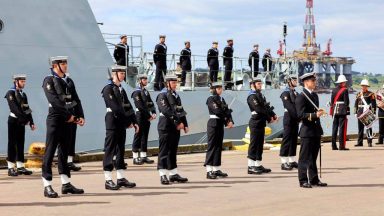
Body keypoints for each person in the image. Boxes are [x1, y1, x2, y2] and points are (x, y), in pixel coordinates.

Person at [42, 56, 84, 198]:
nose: (65, 65)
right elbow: (54, 101)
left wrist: (80, 115)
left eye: (66, 63)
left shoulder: (68, 80)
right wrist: (69, 116)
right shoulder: (49, 80)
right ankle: (47, 185)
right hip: (55, 118)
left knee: (64, 152)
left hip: (69, 119)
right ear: (55, 65)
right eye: (62, 63)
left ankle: (66, 184)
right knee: (50, 151)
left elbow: (76, 99)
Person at [101, 65, 139, 190]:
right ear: (114, 74)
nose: (123, 75)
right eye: (121, 73)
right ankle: (108, 179)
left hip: (122, 122)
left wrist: (134, 121)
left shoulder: (121, 89)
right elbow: (115, 108)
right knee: (110, 150)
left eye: (123, 73)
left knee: (120, 150)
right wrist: (127, 122)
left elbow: (128, 106)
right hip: (113, 121)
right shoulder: (108, 89)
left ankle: (121, 178)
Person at [295, 72, 327, 188]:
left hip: (315, 130)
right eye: (313, 81)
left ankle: (314, 179)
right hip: (307, 131)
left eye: (314, 80)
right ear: (306, 82)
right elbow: (300, 115)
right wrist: (315, 115)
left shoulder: (314, 96)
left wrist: (318, 114)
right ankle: (303, 180)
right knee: (304, 158)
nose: (315, 83)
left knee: (313, 157)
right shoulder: (301, 96)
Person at [156, 75, 189, 185]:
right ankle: (162, 174)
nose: (175, 84)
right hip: (165, 126)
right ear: (167, 83)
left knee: (173, 151)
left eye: (176, 82)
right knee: (164, 151)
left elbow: (180, 110)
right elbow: (166, 110)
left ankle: (173, 174)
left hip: (175, 127)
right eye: (173, 82)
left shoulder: (176, 95)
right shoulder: (162, 95)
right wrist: (178, 122)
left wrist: (185, 124)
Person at [5, 74, 35, 176]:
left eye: (24, 81)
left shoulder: (23, 94)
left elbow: (27, 108)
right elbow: (14, 108)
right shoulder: (10, 93)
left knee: (20, 143)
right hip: (13, 120)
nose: (24, 83)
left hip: (21, 122)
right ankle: (10, 168)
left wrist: (31, 121)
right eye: (22, 82)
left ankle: (20, 166)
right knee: (12, 144)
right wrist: (23, 119)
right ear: (16, 82)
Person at [247, 78, 277, 175]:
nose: (260, 85)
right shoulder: (252, 97)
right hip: (255, 122)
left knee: (260, 144)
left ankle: (258, 164)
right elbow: (259, 109)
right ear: (253, 85)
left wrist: (273, 114)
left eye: (261, 84)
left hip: (261, 122)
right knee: (254, 144)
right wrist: (269, 118)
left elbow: (266, 107)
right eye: (258, 84)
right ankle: (251, 166)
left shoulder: (260, 95)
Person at [204, 82, 234, 179]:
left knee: (218, 146)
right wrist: (226, 119)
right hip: (213, 123)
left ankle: (216, 169)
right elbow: (217, 111)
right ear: (214, 89)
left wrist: (230, 121)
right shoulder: (210, 99)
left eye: (221, 88)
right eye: (218, 88)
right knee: (212, 146)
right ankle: (209, 170)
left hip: (220, 123)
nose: (221, 90)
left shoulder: (222, 99)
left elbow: (227, 111)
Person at [131, 74, 156, 165]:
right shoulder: (136, 92)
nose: (146, 81)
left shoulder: (145, 91)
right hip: (140, 116)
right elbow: (140, 106)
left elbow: (150, 102)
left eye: (146, 79)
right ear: (139, 80)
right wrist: (148, 116)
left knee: (145, 135)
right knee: (138, 135)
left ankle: (143, 156)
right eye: (144, 79)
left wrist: (153, 112)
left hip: (146, 116)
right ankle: (135, 157)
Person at [63, 67, 85, 171]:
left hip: (72, 113)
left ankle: (70, 161)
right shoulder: (55, 81)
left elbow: (76, 99)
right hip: (63, 114)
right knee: (63, 140)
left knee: (72, 138)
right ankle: (63, 162)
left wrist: (81, 115)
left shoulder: (70, 81)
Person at [279, 75, 299, 171]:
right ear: (289, 81)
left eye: (296, 80)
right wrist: (298, 116)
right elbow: (289, 107)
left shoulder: (296, 93)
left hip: (295, 118)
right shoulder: (285, 93)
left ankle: (291, 160)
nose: (296, 81)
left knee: (294, 139)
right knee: (287, 139)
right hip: (289, 117)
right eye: (294, 80)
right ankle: (284, 162)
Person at [354, 79, 376, 147]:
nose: (364, 87)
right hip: (360, 111)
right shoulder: (358, 94)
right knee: (360, 128)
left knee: (368, 127)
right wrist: (355, 112)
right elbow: (356, 104)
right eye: (363, 86)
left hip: (367, 112)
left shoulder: (371, 94)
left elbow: (373, 104)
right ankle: (360, 142)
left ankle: (369, 142)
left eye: (365, 86)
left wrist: (373, 113)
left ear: (367, 86)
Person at [330, 74, 350, 150]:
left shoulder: (333, 90)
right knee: (341, 128)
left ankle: (333, 146)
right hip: (342, 111)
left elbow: (332, 102)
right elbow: (346, 102)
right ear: (342, 82)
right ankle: (341, 146)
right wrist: (346, 111)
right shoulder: (345, 90)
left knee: (334, 128)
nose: (345, 83)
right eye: (344, 82)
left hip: (335, 110)